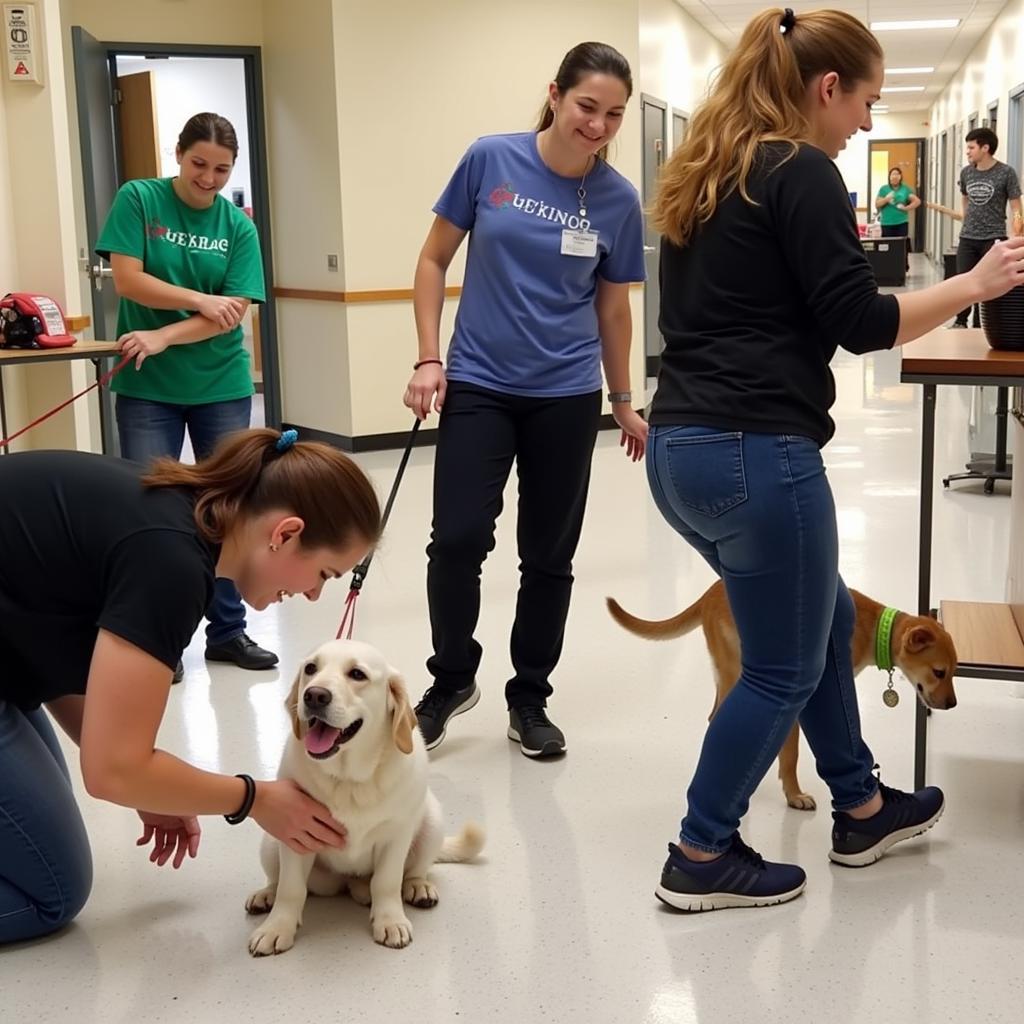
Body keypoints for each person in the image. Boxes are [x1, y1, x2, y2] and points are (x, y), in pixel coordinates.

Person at [645, 6, 1024, 911]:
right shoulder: (803, 169)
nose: (864, 122)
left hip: (681, 451)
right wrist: (975, 285)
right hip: (756, 455)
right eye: (864, 102)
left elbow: (766, 306)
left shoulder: (710, 168)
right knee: (780, 665)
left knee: (814, 635)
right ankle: (701, 854)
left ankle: (858, 803)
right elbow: (861, 324)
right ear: (825, 89)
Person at [0, 428, 381, 944]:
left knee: (32, 829)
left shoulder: (178, 511)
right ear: (286, 533)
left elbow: (51, 649)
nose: (313, 594)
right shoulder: (170, 561)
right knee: (52, 889)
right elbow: (111, 770)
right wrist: (253, 799)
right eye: (324, 573)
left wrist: (143, 780)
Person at [402, 41, 647, 759]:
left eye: (613, 115)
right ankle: (451, 679)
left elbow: (614, 309)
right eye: (586, 107)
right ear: (555, 94)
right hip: (478, 382)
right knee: (456, 541)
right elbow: (431, 259)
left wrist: (624, 397)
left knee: (548, 556)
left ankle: (530, 696)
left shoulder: (619, 200)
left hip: (566, 395)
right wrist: (427, 355)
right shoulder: (491, 159)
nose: (598, 125)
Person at [96, 112, 275, 675]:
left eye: (221, 169)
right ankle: (155, 638)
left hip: (219, 382)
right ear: (178, 154)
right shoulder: (139, 199)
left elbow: (234, 310)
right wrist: (199, 300)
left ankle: (227, 632)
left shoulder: (237, 226)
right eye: (199, 164)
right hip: (149, 385)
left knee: (229, 509)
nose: (209, 178)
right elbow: (128, 279)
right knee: (149, 511)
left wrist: (165, 332)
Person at [952, 126, 1024, 327]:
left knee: (988, 283)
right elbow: (965, 198)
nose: (967, 152)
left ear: (985, 148)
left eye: (971, 147)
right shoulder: (967, 172)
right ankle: (960, 320)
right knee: (963, 279)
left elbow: (1015, 204)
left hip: (994, 237)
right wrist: (966, 219)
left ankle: (980, 323)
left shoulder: (1006, 172)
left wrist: (1017, 228)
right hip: (968, 237)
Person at [875, 166, 920, 271]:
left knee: (901, 247)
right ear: (889, 177)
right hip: (887, 223)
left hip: (901, 222)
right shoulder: (884, 189)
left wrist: (906, 208)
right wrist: (887, 199)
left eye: (897, 174)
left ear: (900, 177)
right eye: (892, 174)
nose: (894, 176)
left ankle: (902, 269)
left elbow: (917, 201)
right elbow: (877, 204)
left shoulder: (905, 189)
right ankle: (888, 269)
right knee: (887, 247)